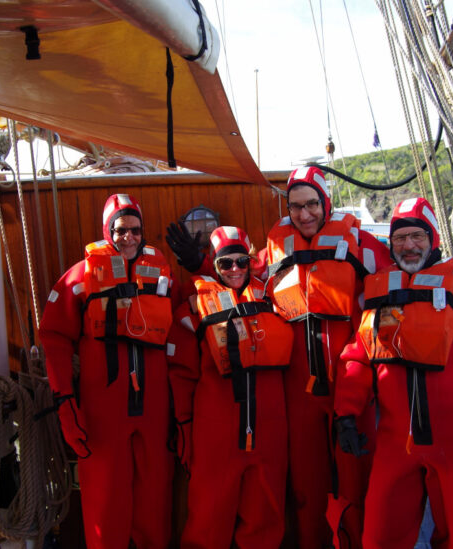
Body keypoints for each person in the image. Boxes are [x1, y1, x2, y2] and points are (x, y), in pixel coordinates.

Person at [334, 197, 453, 549]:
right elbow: (359, 357)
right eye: (400, 238)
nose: (408, 245)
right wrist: (346, 413)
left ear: (433, 238)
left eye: (417, 236)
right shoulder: (378, 292)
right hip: (396, 442)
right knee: (379, 536)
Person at [264, 166, 392, 549]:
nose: (304, 214)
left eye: (312, 204)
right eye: (296, 206)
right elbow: (239, 279)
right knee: (307, 484)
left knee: (356, 479)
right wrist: (201, 266)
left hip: (350, 383)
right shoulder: (275, 248)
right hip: (299, 389)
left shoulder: (363, 245)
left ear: (326, 203)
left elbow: (404, 277)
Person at [39, 193, 176, 549]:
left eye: (135, 230)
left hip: (153, 411)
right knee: (105, 505)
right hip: (104, 413)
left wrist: (184, 411)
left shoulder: (162, 273)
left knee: (155, 505)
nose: (128, 237)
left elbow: (182, 330)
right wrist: (66, 403)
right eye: (120, 230)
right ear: (107, 231)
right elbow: (53, 337)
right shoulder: (80, 277)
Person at [166, 226, 293, 549]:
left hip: (268, 432)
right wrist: (183, 425)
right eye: (225, 263)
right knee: (208, 518)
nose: (235, 269)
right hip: (217, 433)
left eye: (241, 261)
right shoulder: (193, 308)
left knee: (265, 517)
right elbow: (181, 375)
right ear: (215, 266)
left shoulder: (275, 296)